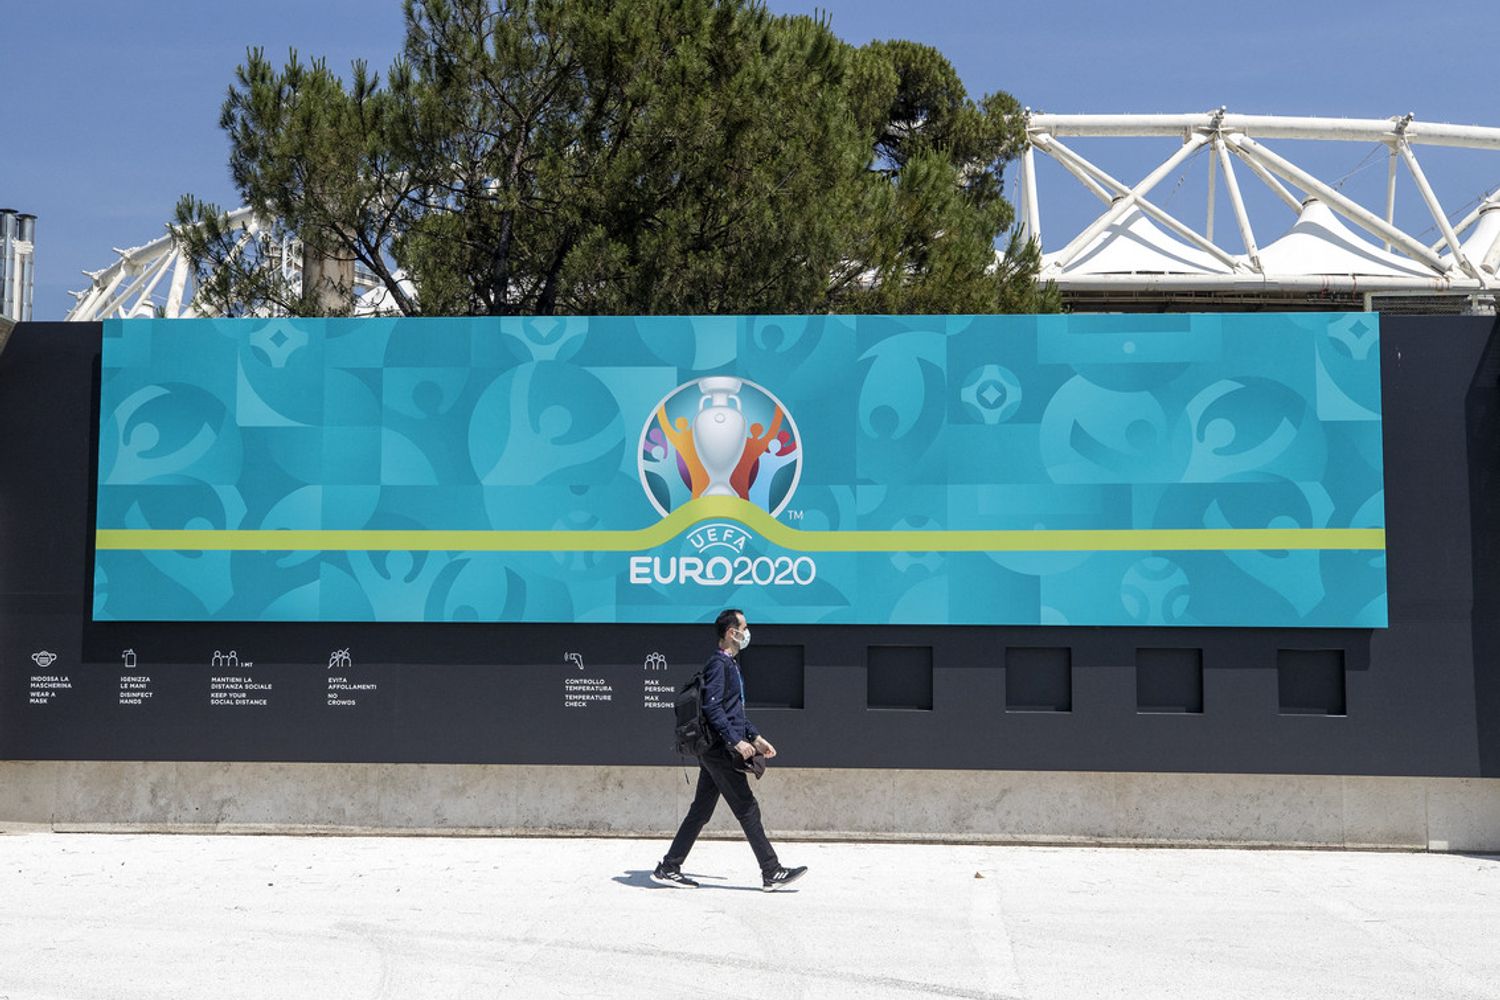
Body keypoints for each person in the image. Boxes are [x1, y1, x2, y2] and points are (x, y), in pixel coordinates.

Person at [653, 608, 808, 892]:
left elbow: (733, 711)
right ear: (731, 632)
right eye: (744, 627)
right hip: (718, 751)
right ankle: (771, 871)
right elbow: (712, 707)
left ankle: (669, 867)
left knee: (700, 811)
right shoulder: (719, 664)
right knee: (747, 807)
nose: (747, 633)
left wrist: (755, 737)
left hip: (715, 749)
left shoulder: (731, 665)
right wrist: (735, 741)